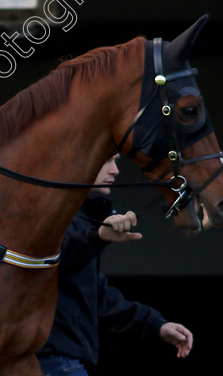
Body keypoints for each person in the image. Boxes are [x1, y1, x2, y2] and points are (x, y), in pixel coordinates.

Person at [37, 154, 194, 375]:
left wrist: (157, 325)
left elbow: (98, 295)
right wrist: (97, 237)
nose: (115, 170)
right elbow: (48, 262)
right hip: (52, 361)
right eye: (106, 160)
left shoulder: (80, 214)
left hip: (61, 361)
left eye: (115, 161)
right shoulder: (52, 212)